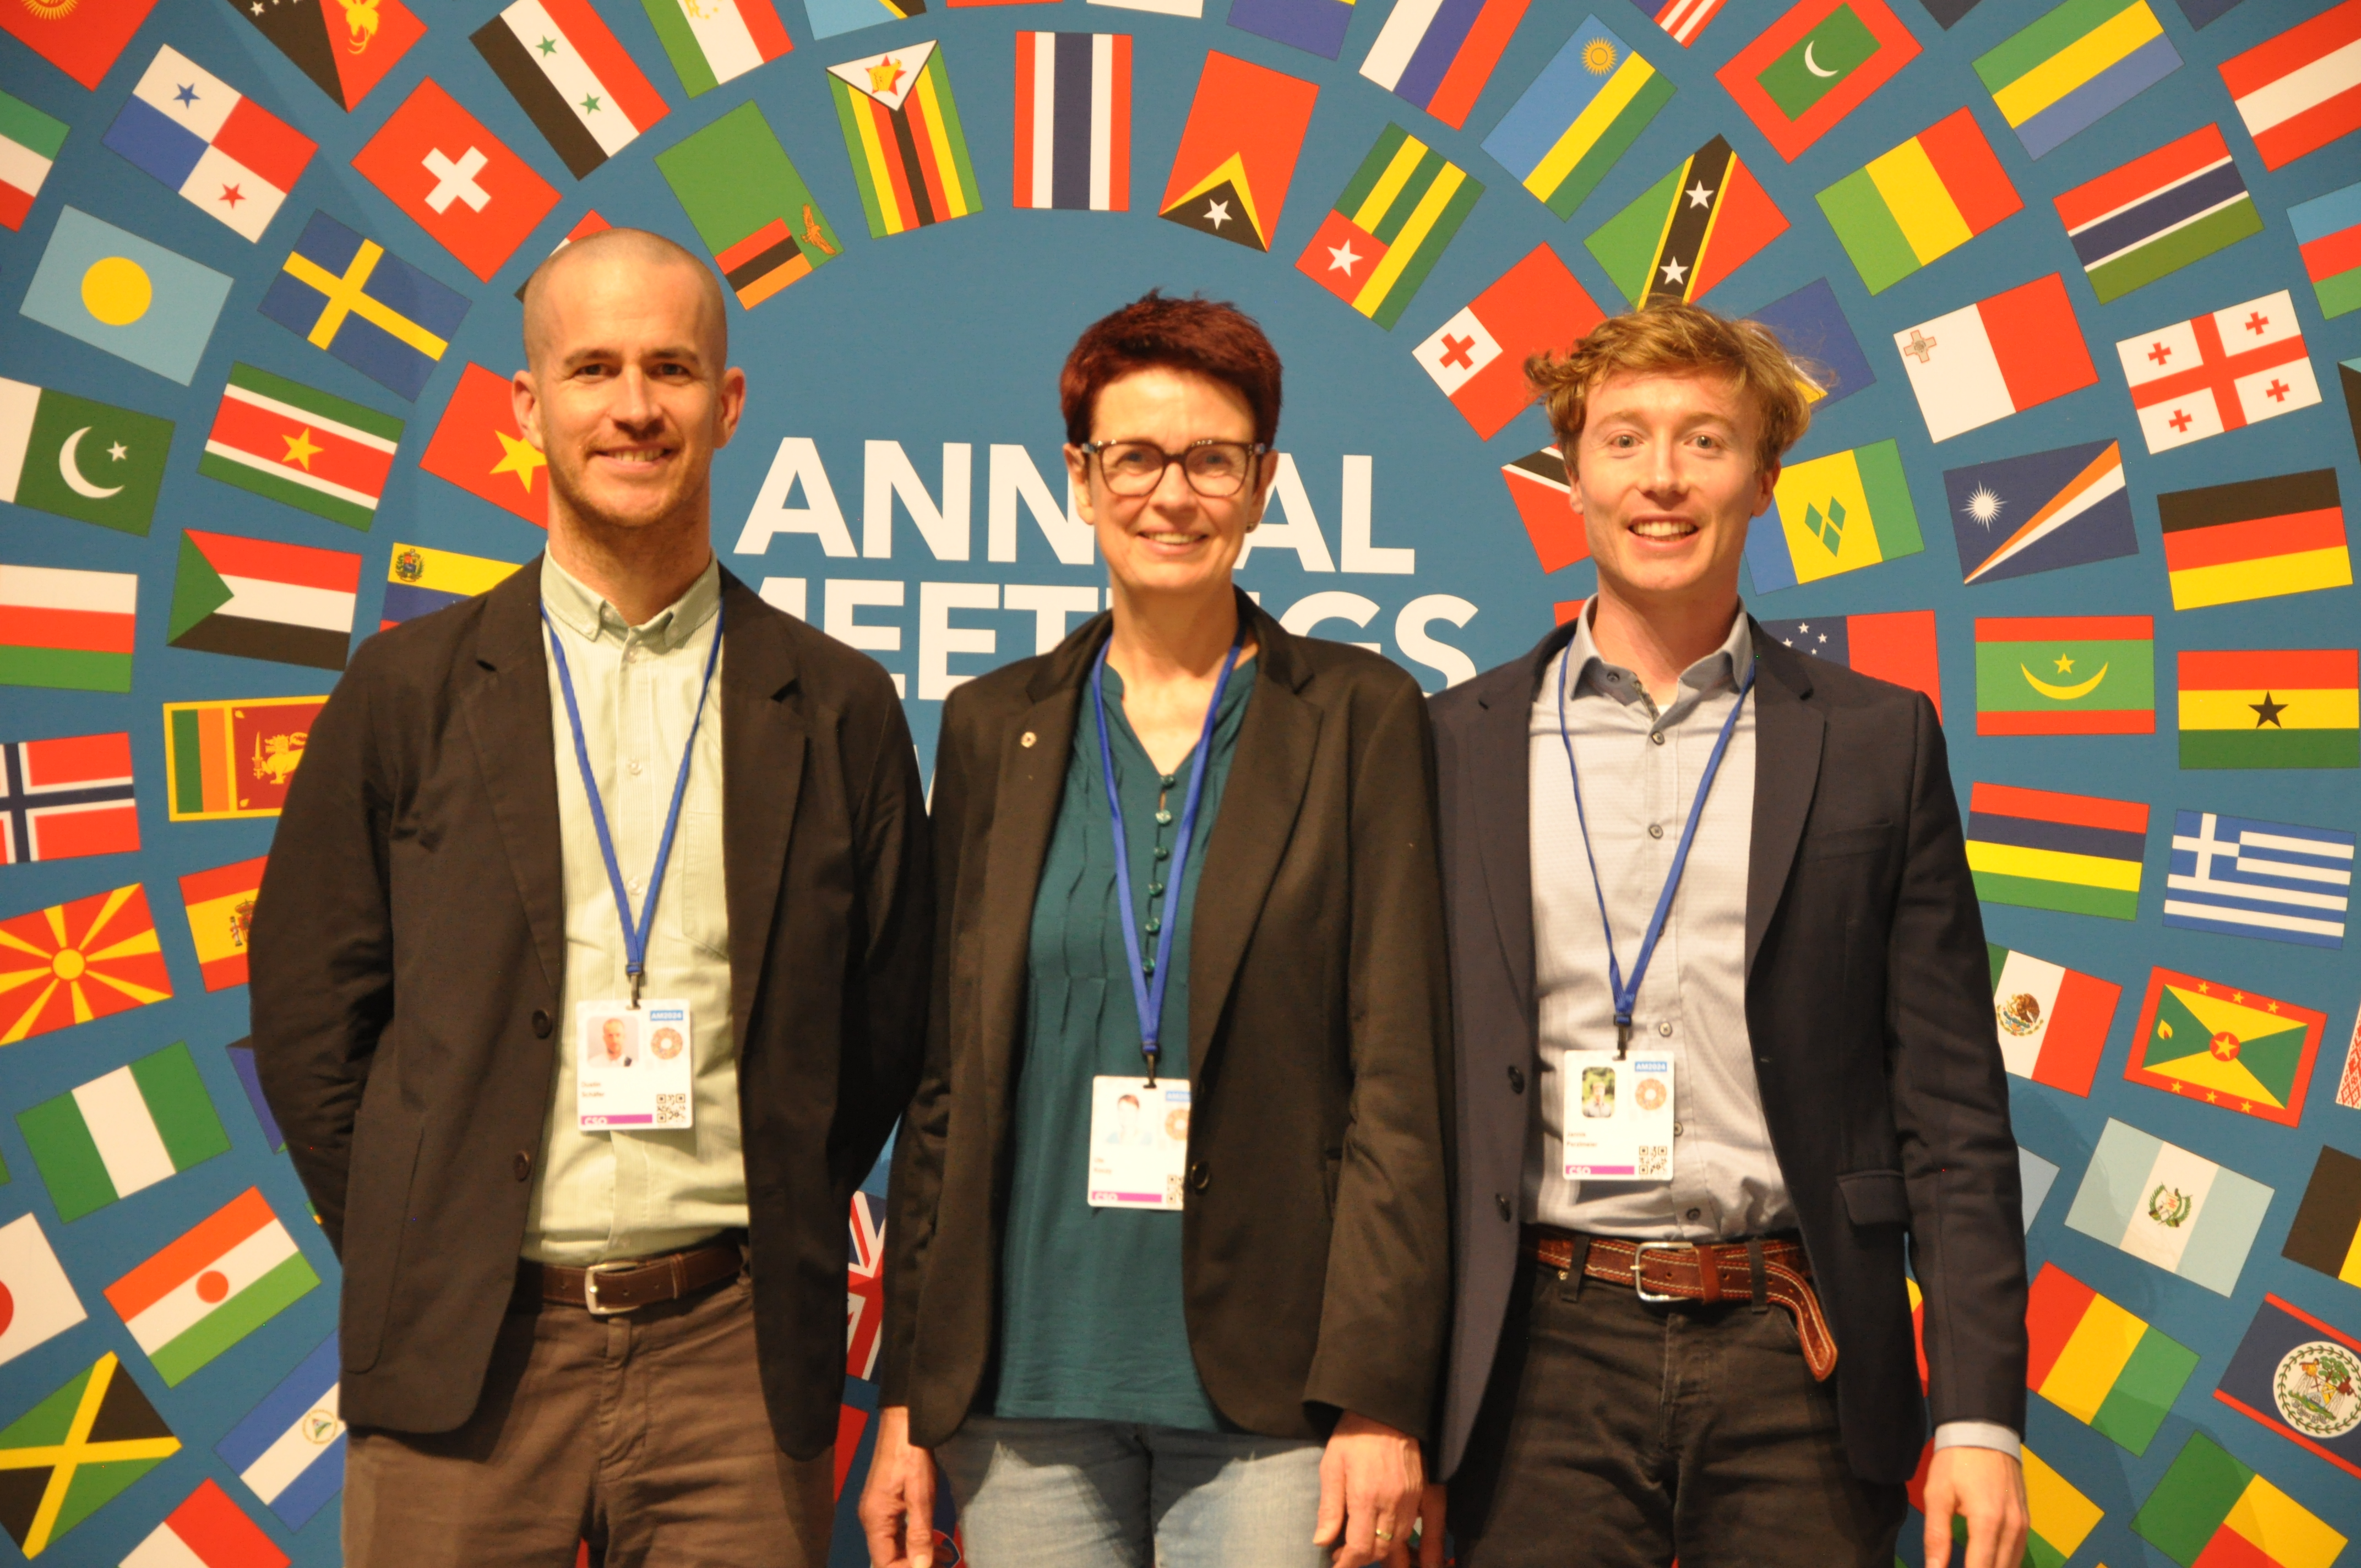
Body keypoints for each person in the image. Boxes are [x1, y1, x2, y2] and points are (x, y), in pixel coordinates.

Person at [249, 227, 931, 1568]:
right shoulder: (405, 694)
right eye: (594, 368)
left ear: (725, 405)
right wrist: (423, 1221)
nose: (633, 407)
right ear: (529, 405)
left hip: (737, 1361)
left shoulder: (836, 705)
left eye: (671, 368)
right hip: (465, 1352)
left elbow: (877, 1037)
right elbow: (312, 1021)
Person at [1423, 302, 2029, 1568]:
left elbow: (1951, 1108)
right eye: (1623, 439)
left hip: (1794, 1352)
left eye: (1704, 441)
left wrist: (1977, 1409)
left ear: (1762, 475)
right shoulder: (1452, 743)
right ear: (1570, 470)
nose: (1660, 477)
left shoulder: (1874, 739)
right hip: (1533, 1354)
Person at [860, 293, 1452, 1568]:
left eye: (1209, 460)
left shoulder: (1357, 717)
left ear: (1262, 484)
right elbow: (944, 1090)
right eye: (1132, 456)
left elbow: (1399, 1082)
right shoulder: (988, 727)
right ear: (1078, 476)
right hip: (1022, 1391)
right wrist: (908, 1388)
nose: (1169, 494)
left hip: (1278, 1397)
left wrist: (1379, 1391)